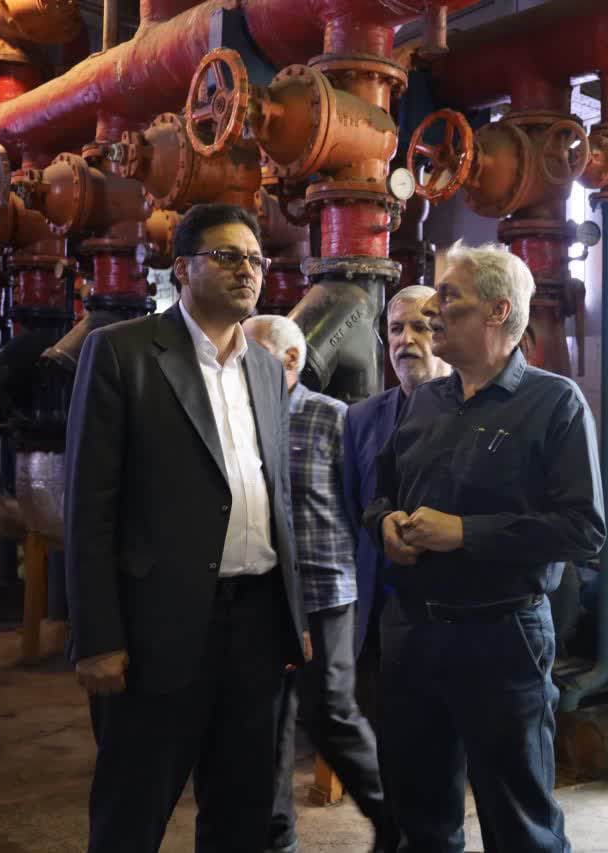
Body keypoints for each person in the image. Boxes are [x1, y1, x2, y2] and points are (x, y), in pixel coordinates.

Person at [64, 203, 306, 853]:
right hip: (156, 631)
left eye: (255, 260)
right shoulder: (124, 353)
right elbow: (89, 507)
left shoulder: (265, 368)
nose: (246, 270)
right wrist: (97, 637)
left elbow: (278, 498)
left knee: (242, 814)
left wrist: (292, 619)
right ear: (181, 269)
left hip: (255, 627)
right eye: (226, 257)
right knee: (131, 812)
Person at [364, 241, 605, 852]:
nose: (431, 310)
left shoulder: (554, 403)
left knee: (519, 821)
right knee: (419, 813)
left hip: (502, 638)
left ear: (498, 311)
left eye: (449, 298)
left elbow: (582, 529)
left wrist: (465, 532)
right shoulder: (425, 401)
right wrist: (385, 523)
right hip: (412, 633)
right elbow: (380, 492)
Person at [242, 314, 392, 853]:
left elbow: (362, 508)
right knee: (265, 721)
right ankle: (276, 838)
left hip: (325, 592)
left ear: (290, 359)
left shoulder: (334, 419)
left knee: (329, 712)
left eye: (252, 353)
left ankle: (394, 822)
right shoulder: (241, 418)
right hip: (262, 594)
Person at [345, 285, 452, 665]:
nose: (405, 339)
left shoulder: (476, 410)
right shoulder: (360, 418)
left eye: (419, 327)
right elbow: (353, 512)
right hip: (382, 615)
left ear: (443, 332)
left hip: (455, 616)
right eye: (395, 329)